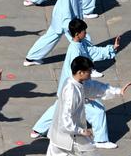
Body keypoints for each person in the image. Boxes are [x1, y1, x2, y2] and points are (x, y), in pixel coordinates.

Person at [20, 56, 130, 156]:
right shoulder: (72, 91)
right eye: (88, 72)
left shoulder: (74, 82)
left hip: (58, 135)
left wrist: (116, 91)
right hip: (73, 137)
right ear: (80, 72)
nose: (90, 74)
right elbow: (67, 120)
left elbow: (94, 88)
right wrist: (82, 131)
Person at [31, 19, 120, 148]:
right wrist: (85, 90)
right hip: (75, 89)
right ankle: (101, 141)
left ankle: (38, 129)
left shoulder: (80, 44)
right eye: (84, 31)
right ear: (77, 33)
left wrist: (111, 49)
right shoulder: (75, 50)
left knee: (59, 108)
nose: (86, 33)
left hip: (69, 87)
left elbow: (92, 52)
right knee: (98, 111)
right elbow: (79, 71)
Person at [24, 0, 116, 65]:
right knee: (83, 42)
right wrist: (74, 27)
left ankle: (30, 58)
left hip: (62, 20)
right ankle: (88, 67)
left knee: (50, 37)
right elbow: (66, 10)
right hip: (67, 22)